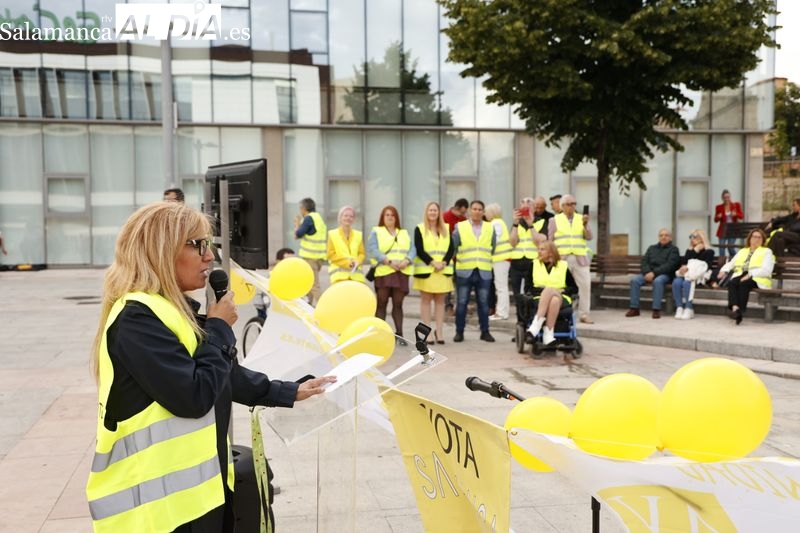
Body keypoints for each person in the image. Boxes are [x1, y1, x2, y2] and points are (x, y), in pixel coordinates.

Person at [85, 202, 335, 533]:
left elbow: (222, 376)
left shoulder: (172, 311)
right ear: (160, 249)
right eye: (198, 244)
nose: (210, 257)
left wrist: (288, 391)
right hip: (154, 513)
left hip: (194, 500)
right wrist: (218, 328)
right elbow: (193, 395)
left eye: (210, 245)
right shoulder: (137, 319)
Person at [368, 205, 416, 343]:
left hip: (401, 272)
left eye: (392, 215)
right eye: (387, 215)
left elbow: (413, 249)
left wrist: (407, 260)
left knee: (398, 304)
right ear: (383, 217)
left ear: (396, 218)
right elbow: (373, 248)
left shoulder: (404, 233)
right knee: (381, 303)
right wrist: (387, 260)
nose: (390, 217)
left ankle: (399, 335)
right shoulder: (376, 231)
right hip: (384, 272)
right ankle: (378, 334)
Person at [452, 200, 496, 343]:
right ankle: (459, 332)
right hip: (465, 270)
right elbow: (454, 247)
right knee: (462, 302)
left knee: (483, 303)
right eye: (474, 209)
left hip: (483, 270)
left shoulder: (490, 228)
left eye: (480, 209)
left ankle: (485, 331)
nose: (477, 211)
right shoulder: (460, 227)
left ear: (483, 212)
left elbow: (493, 247)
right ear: (470, 211)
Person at [547, 194, 594, 323]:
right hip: (562, 259)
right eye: (569, 204)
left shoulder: (581, 218)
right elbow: (550, 241)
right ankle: (558, 312)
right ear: (562, 206)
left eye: (574, 204)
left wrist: (585, 225)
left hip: (580, 258)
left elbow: (589, 237)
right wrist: (552, 257)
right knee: (559, 286)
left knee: (585, 285)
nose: (572, 206)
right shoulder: (554, 220)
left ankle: (584, 314)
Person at [412, 201, 454, 344]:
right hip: (426, 270)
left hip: (442, 270)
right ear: (426, 212)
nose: (433, 212)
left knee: (440, 302)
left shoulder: (446, 228)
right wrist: (432, 262)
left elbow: (451, 249)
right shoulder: (419, 228)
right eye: (430, 210)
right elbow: (419, 249)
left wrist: (444, 262)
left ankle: (439, 332)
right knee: (426, 301)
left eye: (435, 210)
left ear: (439, 212)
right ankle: (428, 333)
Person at [717, 228, 774, 325]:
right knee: (732, 283)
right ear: (750, 238)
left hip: (758, 277)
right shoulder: (743, 251)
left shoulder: (767, 251)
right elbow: (732, 263)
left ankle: (740, 311)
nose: (756, 239)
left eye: (759, 238)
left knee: (744, 284)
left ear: (763, 240)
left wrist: (750, 274)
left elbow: (767, 270)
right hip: (741, 274)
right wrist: (723, 270)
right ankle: (735, 309)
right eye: (754, 237)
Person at [526, 241, 577, 346]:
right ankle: (548, 335)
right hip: (539, 297)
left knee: (551, 292)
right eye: (538, 249)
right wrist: (546, 291)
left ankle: (536, 326)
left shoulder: (562, 266)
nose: (539, 252)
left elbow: (574, 288)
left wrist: (561, 291)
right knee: (553, 299)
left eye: (542, 249)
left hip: (562, 297)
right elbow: (528, 287)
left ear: (551, 252)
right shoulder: (534, 264)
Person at [625, 228, 681, 319]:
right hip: (649, 273)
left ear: (670, 238)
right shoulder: (651, 248)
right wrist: (647, 272)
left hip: (665, 275)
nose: (663, 237)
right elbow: (644, 262)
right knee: (635, 280)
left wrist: (654, 273)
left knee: (658, 281)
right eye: (661, 235)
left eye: (666, 235)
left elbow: (670, 265)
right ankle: (634, 308)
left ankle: (656, 309)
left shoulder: (674, 249)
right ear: (658, 237)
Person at [509, 197, 543, 324]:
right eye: (522, 202)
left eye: (529, 202)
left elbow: (539, 240)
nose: (525, 204)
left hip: (533, 263)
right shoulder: (517, 224)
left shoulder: (541, 222)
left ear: (534, 208)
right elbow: (512, 242)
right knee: (518, 296)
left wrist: (531, 225)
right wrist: (515, 224)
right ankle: (521, 324)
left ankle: (532, 325)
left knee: (532, 296)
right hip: (517, 263)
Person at [672, 229, 715, 320]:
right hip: (686, 274)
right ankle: (679, 307)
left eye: (694, 237)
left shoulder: (709, 251)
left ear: (701, 238)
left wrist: (689, 267)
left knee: (687, 282)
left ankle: (688, 308)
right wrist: (695, 250)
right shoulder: (690, 251)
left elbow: (705, 266)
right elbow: (684, 262)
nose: (692, 239)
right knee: (676, 282)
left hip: (699, 276)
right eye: (690, 237)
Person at [294, 197, 327, 306]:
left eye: (300, 208)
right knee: (308, 284)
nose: (300, 211)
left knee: (313, 285)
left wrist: (297, 224)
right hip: (318, 257)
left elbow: (297, 234)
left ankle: (324, 307)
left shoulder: (308, 219)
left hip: (310, 257)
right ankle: (307, 306)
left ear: (304, 208)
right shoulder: (318, 218)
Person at [484, 203, 512, 320]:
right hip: (501, 258)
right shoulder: (498, 223)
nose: (484, 214)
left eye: (486, 211)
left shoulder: (495, 223)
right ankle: (502, 312)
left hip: (500, 258)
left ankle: (501, 313)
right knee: (501, 286)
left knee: (501, 287)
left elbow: (495, 241)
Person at [326, 205, 366, 284]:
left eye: (351, 216)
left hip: (356, 277)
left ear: (354, 219)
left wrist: (358, 261)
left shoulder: (358, 235)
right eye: (345, 215)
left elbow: (362, 253)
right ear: (340, 218)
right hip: (339, 277)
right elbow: (330, 254)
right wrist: (348, 263)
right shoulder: (332, 234)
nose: (348, 218)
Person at [442, 198, 469, 314]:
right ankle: (448, 306)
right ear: (457, 208)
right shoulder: (444, 217)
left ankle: (460, 306)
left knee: (460, 283)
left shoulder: (463, 220)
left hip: (460, 257)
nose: (463, 215)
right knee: (447, 283)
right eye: (462, 212)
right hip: (446, 256)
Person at [714, 189, 744, 257]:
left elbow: (741, 216)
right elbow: (715, 220)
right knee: (721, 247)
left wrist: (735, 214)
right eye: (725, 197)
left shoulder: (736, 205)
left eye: (728, 197)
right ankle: (722, 264)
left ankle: (736, 260)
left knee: (730, 247)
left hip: (733, 229)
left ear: (730, 197)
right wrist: (718, 217)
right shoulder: (719, 207)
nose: (727, 199)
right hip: (723, 229)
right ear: (722, 198)